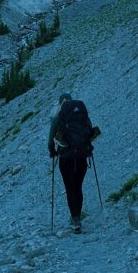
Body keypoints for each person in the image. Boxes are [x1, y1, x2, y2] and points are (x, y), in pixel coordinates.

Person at [47, 93, 100, 232]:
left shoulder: (58, 117)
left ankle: (75, 220)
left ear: (60, 104)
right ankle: (78, 217)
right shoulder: (81, 114)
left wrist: (52, 152)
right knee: (78, 187)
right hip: (82, 156)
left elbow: (50, 141)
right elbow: (89, 132)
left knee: (70, 189)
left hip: (66, 158)